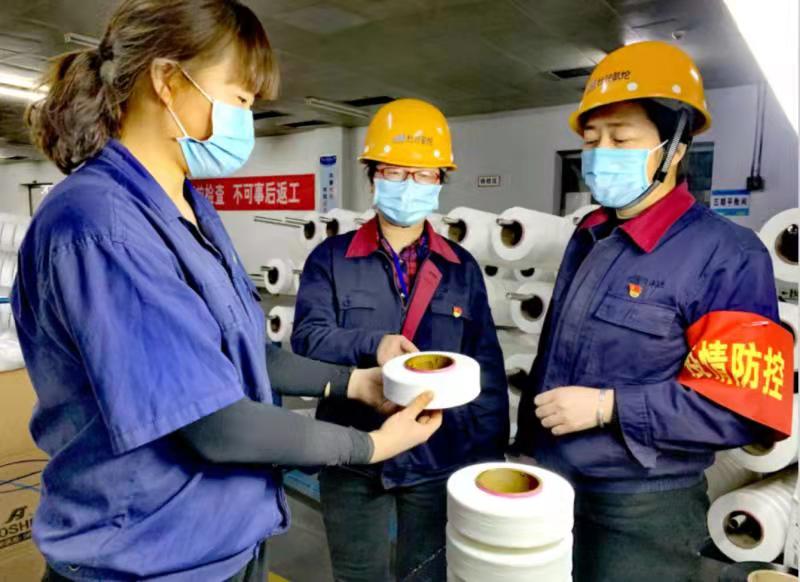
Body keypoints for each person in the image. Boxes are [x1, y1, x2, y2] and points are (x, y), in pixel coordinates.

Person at [12, 2, 443, 580]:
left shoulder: (188, 208)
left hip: (222, 541)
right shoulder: (101, 225)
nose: (246, 119)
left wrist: (355, 382)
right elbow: (217, 424)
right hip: (146, 558)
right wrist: (370, 447)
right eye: (239, 98)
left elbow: (245, 355)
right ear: (167, 80)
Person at [514, 41, 794, 582]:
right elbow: (554, 353)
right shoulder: (590, 234)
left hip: (641, 506)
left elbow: (743, 408)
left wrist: (609, 407)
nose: (600, 153)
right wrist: (528, 449)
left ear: (676, 147)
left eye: (620, 139)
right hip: (554, 482)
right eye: (591, 140)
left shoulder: (727, 255)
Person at [291, 98, 509, 582]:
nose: (409, 185)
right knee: (358, 576)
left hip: (437, 456)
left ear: (439, 182)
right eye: (394, 171)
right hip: (354, 450)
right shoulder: (331, 259)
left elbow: (486, 368)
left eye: (423, 174)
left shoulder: (461, 268)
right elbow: (307, 339)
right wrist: (374, 344)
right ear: (373, 176)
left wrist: (488, 457)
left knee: (426, 575)